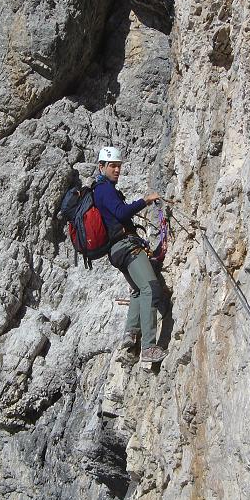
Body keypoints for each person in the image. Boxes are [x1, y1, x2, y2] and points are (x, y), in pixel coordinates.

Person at [93, 146, 169, 364]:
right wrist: (144, 200)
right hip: (127, 247)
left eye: (119, 166)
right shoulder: (105, 189)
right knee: (150, 288)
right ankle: (148, 347)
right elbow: (121, 212)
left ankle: (130, 333)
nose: (117, 170)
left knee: (137, 289)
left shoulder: (100, 190)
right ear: (102, 167)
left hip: (116, 251)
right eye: (112, 166)